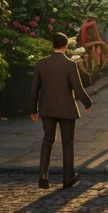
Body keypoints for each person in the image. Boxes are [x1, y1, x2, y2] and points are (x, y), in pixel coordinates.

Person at [30, 32, 92, 189]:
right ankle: (68, 177)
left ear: (53, 45)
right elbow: (78, 88)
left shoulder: (41, 64)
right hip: (66, 109)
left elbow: (34, 89)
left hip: (47, 108)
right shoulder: (70, 65)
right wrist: (87, 103)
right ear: (65, 46)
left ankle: (43, 175)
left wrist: (33, 109)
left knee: (47, 140)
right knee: (67, 142)